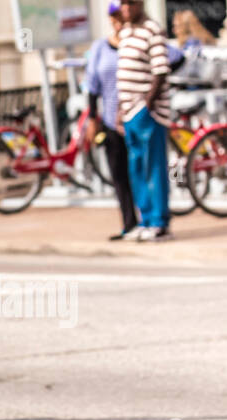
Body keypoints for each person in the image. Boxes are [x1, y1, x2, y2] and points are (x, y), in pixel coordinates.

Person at [117, 0, 173, 241]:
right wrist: (122, 108)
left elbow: (160, 71)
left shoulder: (152, 29)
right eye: (123, 4)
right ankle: (145, 219)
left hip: (146, 111)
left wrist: (146, 105)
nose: (126, 8)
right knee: (136, 167)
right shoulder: (126, 32)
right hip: (129, 111)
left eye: (131, 3)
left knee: (154, 166)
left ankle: (159, 222)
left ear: (140, 4)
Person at [85, 3, 139, 240]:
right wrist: (91, 119)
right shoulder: (99, 47)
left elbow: (173, 58)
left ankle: (151, 221)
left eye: (120, 15)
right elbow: (92, 86)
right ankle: (129, 224)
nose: (116, 20)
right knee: (119, 174)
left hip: (137, 117)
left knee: (141, 171)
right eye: (113, 16)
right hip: (110, 119)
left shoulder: (137, 40)